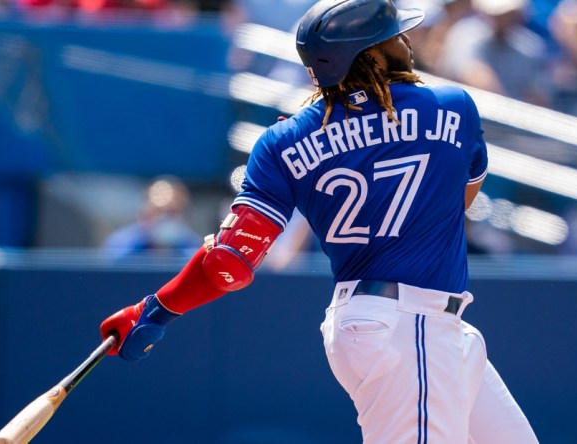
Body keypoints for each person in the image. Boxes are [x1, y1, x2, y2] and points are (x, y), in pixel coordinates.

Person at [99, 0, 539, 442]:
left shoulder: (282, 140)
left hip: (387, 323)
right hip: (411, 326)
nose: (405, 41)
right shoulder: (452, 106)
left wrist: (155, 309)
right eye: (390, 37)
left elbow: (228, 263)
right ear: (365, 54)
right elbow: (455, 202)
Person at [101, 175, 202, 261]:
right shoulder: (119, 245)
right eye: (159, 211)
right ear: (144, 212)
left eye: (172, 212)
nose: (164, 217)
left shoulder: (196, 250)